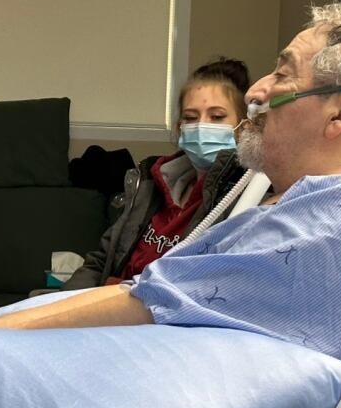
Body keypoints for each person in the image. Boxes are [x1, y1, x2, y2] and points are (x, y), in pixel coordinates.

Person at [0, 0, 341, 369]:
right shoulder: (314, 206)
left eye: (282, 73)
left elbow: (148, 299)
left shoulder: (334, 222)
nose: (256, 90)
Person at [62, 57, 250, 291]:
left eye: (217, 116)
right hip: (99, 307)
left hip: (144, 317)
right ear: (179, 128)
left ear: (243, 128)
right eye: (191, 118)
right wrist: (62, 303)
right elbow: (100, 261)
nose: (201, 126)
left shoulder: (246, 200)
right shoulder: (150, 183)